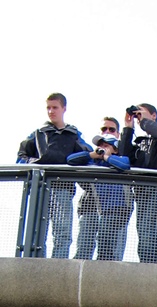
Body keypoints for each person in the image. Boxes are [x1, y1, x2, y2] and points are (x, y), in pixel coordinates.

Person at [17, 93, 91, 258]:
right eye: (48, 108)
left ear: (64, 108)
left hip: (62, 187)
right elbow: (20, 157)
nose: (51, 111)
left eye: (55, 107)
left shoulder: (73, 134)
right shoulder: (38, 133)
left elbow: (87, 155)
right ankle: (34, 265)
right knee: (36, 231)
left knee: (62, 231)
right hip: (39, 187)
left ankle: (59, 267)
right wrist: (35, 163)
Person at [119, 104, 157, 264]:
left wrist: (145, 122)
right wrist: (128, 129)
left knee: (149, 236)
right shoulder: (140, 143)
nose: (138, 116)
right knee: (144, 237)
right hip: (142, 192)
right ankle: (151, 272)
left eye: (141, 112)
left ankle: (153, 275)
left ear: (154, 116)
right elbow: (124, 157)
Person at [75, 117, 132, 261]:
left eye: (111, 130)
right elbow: (71, 160)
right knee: (83, 250)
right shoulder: (92, 158)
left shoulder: (121, 156)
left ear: (118, 134)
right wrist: (92, 154)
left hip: (116, 209)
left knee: (110, 252)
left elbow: (125, 165)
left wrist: (107, 157)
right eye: (104, 129)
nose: (107, 131)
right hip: (90, 206)